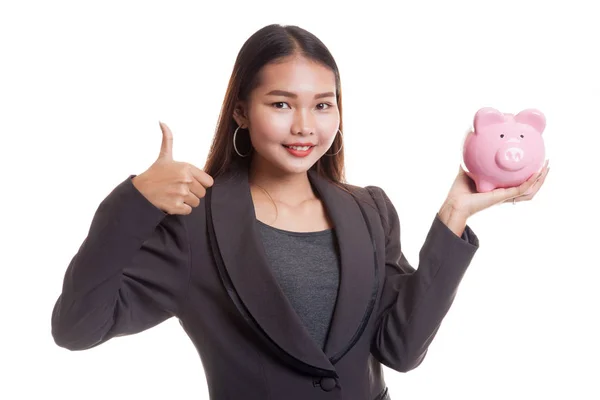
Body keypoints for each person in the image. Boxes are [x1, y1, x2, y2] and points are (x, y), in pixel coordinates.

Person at [51, 24, 550, 400]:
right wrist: (134, 201)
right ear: (242, 112)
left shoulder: (370, 210)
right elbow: (77, 327)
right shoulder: (194, 224)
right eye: (282, 104)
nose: (305, 127)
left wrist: (455, 213)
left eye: (323, 105)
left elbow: (400, 351)